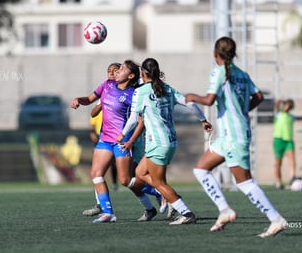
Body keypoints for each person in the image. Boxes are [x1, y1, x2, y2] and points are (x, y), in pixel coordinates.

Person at [185, 36, 288, 237]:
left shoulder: (219, 71)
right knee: (201, 170)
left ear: (216, 55)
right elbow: (259, 96)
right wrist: (242, 111)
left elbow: (209, 99)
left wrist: (192, 97)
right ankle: (224, 210)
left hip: (234, 137)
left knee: (245, 182)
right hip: (228, 137)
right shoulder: (242, 73)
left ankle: (276, 219)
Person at [117, 57, 212, 225]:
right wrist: (203, 120)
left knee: (159, 183)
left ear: (142, 73)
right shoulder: (167, 88)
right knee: (140, 173)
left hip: (157, 144)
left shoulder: (141, 91)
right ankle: (170, 197)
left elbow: (133, 119)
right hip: (170, 142)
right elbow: (190, 104)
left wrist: (122, 133)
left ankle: (185, 211)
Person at [71, 60, 164, 223]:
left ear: (131, 76)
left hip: (122, 141)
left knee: (125, 180)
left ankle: (158, 194)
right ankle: (108, 212)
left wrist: (132, 139)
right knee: (96, 174)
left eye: (121, 69)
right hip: (105, 138)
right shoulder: (107, 85)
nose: (116, 71)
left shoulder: (134, 94)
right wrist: (79, 99)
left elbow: (140, 121)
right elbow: (90, 98)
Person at [82, 63, 120, 217]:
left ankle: (163, 198)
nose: (111, 73)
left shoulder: (131, 90)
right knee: (97, 173)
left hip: (125, 138)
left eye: (115, 70)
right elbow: (93, 113)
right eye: (108, 71)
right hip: (105, 137)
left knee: (130, 178)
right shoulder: (106, 89)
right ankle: (102, 207)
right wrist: (102, 103)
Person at [273, 98, 302, 189]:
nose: (287, 107)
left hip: (289, 141)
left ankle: (292, 176)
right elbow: (276, 106)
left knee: (292, 159)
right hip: (278, 141)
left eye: (289, 106)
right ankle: (279, 182)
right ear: (284, 105)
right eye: (286, 105)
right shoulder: (278, 114)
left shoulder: (291, 116)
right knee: (278, 163)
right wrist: (279, 101)